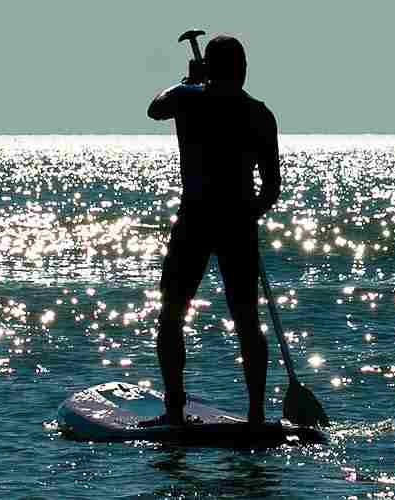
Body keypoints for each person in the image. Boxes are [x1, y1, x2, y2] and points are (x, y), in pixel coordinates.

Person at [141, 34, 281, 427]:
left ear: (209, 68)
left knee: (172, 313)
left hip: (197, 220)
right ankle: (255, 415)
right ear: (242, 70)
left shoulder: (189, 100)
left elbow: (155, 108)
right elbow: (271, 188)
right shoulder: (259, 113)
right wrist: (250, 211)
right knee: (246, 319)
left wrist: (190, 82)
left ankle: (175, 410)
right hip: (236, 222)